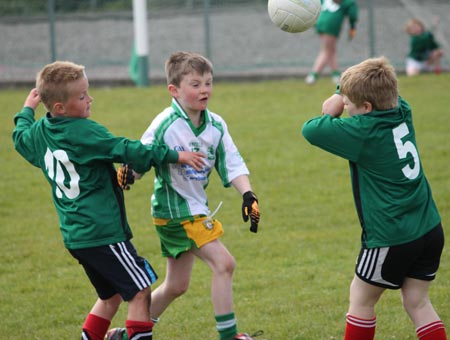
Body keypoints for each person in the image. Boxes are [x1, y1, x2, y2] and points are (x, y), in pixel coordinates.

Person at [12, 61, 205, 340]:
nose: (89, 99)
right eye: (81, 96)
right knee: (140, 291)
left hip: (76, 236)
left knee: (111, 296)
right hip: (102, 233)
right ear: (59, 108)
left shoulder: (40, 132)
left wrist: (27, 110)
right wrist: (176, 155)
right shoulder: (84, 131)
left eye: (87, 92)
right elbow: (128, 150)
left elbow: (20, 139)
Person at [106, 51, 262, 340]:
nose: (204, 90)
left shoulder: (215, 125)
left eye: (208, 83)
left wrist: (248, 194)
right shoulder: (166, 123)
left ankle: (129, 334)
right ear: (174, 91)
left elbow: (233, 162)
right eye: (195, 84)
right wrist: (130, 173)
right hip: (174, 211)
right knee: (224, 263)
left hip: (193, 209)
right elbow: (144, 154)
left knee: (177, 285)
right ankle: (229, 336)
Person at [302, 57, 446, 340]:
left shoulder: (363, 131)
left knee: (361, 298)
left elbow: (311, 129)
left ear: (366, 109)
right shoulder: (402, 109)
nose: (345, 107)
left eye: (349, 104)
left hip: (391, 236)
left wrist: (331, 105)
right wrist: (343, 90)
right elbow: (381, 88)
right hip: (429, 227)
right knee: (417, 302)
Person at [305, 0, 358, 85]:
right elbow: (353, 15)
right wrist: (352, 27)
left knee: (331, 50)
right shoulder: (349, 2)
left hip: (320, 22)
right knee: (327, 51)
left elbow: (316, 5)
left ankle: (336, 74)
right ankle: (313, 75)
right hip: (331, 24)